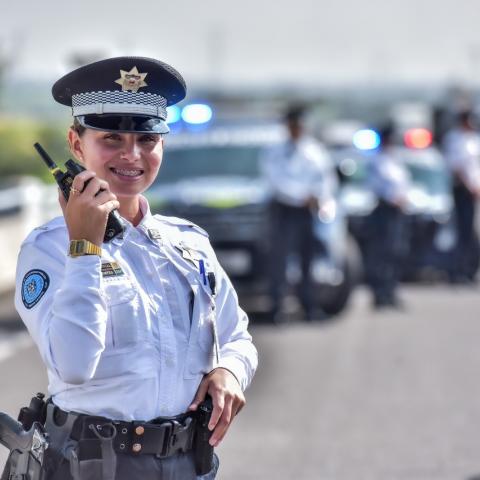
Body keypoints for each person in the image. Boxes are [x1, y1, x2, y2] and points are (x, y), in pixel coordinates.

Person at [6, 57, 257, 480]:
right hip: (92, 466)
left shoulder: (188, 243)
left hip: (187, 463)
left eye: (146, 139)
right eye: (112, 138)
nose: (131, 155)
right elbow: (73, 364)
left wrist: (229, 370)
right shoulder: (49, 250)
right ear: (74, 142)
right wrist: (85, 246)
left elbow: (236, 334)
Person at [260, 105, 338, 322]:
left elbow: (326, 179)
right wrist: (301, 196)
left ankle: (309, 306)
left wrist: (318, 196)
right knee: (280, 260)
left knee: (307, 260)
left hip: (308, 211)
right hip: (284, 210)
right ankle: (277, 307)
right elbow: (276, 181)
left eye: (300, 126)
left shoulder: (315, 150)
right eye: (293, 125)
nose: (297, 130)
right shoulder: (275, 151)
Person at [364, 123, 410, 309]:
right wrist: (393, 199)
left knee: (395, 252)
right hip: (384, 211)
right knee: (382, 253)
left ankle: (391, 291)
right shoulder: (377, 161)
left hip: (397, 212)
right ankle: (380, 293)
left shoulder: (395, 160)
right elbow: (376, 187)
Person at [442, 109, 480, 283]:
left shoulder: (473, 139)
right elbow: (457, 167)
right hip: (463, 190)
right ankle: (459, 271)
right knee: (463, 232)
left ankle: (470, 270)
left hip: (474, 191)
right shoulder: (454, 139)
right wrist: (469, 187)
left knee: (472, 234)